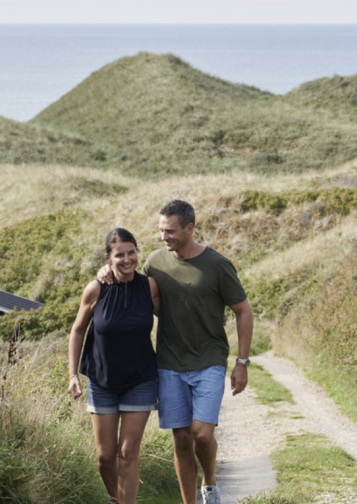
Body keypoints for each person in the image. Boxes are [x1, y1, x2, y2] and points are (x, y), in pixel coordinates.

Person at [100, 199, 254, 504]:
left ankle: (209, 482)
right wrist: (106, 268)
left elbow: (243, 310)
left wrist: (241, 362)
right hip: (169, 362)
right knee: (181, 437)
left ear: (189, 228)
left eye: (169, 231)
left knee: (201, 433)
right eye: (160, 230)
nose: (163, 236)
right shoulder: (155, 262)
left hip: (209, 358)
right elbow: (130, 278)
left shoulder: (217, 264)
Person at [69, 227, 162, 504]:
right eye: (119, 254)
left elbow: (173, 315)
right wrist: (72, 374)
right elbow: (77, 331)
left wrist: (212, 318)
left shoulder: (149, 286)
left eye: (131, 252)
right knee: (105, 457)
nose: (126, 259)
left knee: (128, 452)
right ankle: (117, 499)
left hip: (141, 379)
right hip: (102, 380)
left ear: (137, 252)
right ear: (108, 258)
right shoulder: (96, 288)